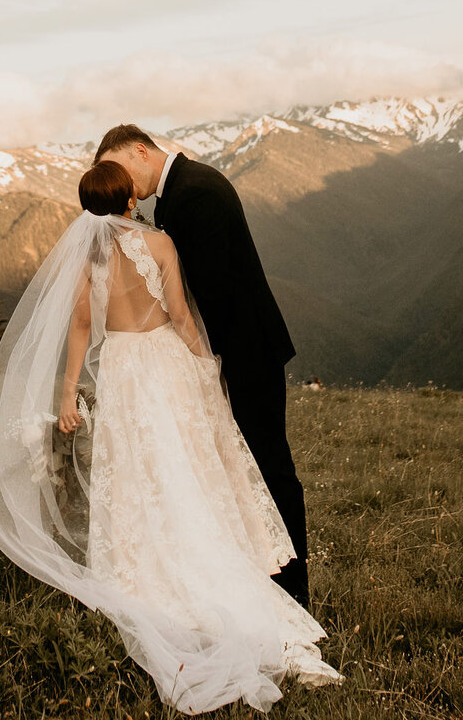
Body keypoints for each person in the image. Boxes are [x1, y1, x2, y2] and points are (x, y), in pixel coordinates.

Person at [0, 160, 340, 714]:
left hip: (119, 369)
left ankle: (144, 566)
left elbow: (78, 328)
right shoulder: (160, 243)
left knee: (137, 469)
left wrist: (67, 393)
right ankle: (217, 561)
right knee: (188, 461)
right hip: (164, 361)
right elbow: (182, 316)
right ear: (128, 199)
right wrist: (205, 364)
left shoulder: (86, 256)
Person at [94, 123, 309, 606]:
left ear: (142, 152)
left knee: (270, 468)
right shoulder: (182, 191)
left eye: (122, 170)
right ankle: (263, 574)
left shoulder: (195, 194)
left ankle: (293, 589)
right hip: (240, 349)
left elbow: (213, 293)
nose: (124, 185)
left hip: (246, 353)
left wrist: (203, 362)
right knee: (248, 465)